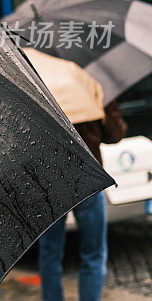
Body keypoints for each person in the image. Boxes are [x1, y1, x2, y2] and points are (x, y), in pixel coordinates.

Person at [38, 100, 127, 301]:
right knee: (94, 254)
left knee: (50, 254)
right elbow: (115, 134)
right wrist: (109, 110)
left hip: (52, 180)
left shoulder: (44, 84)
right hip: (88, 179)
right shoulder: (87, 88)